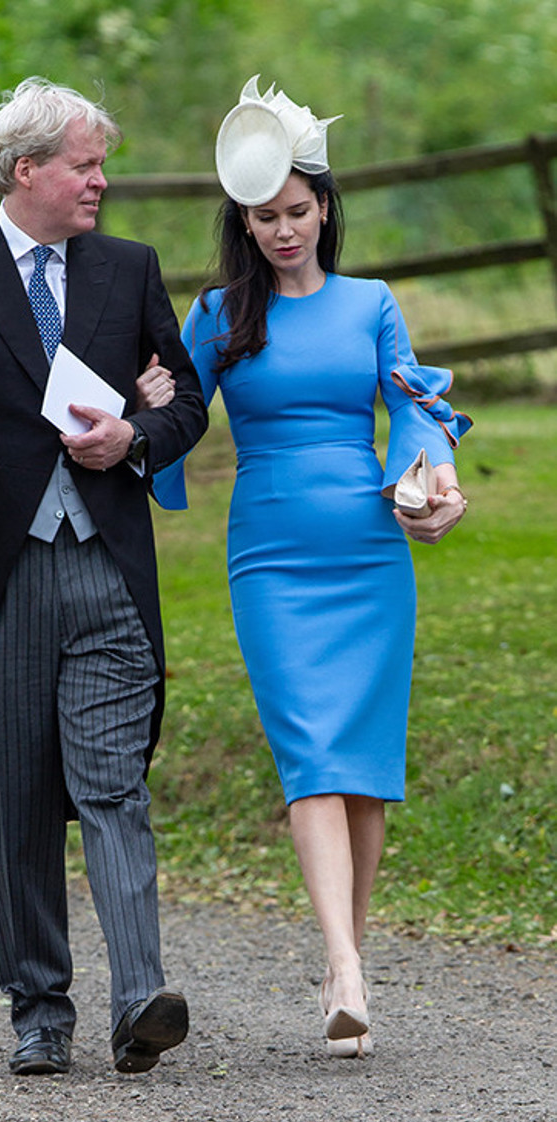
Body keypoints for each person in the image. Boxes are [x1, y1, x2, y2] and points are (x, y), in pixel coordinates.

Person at [0, 77, 208, 1077]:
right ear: (27, 172)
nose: (102, 180)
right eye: (85, 164)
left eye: (101, 163)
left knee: (114, 788)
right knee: (14, 801)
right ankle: (39, 1010)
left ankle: (138, 997)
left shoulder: (128, 268)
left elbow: (183, 397)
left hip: (105, 571)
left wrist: (135, 436)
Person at [149, 76, 472, 1059]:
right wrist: (147, 400)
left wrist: (434, 481)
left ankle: (346, 963)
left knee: (364, 773)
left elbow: (413, 409)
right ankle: (342, 966)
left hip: (367, 552)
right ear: (241, 222)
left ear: (323, 208)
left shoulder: (371, 304)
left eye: (295, 211)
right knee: (310, 759)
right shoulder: (215, 313)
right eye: (262, 216)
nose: (281, 228)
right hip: (273, 559)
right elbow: (174, 416)